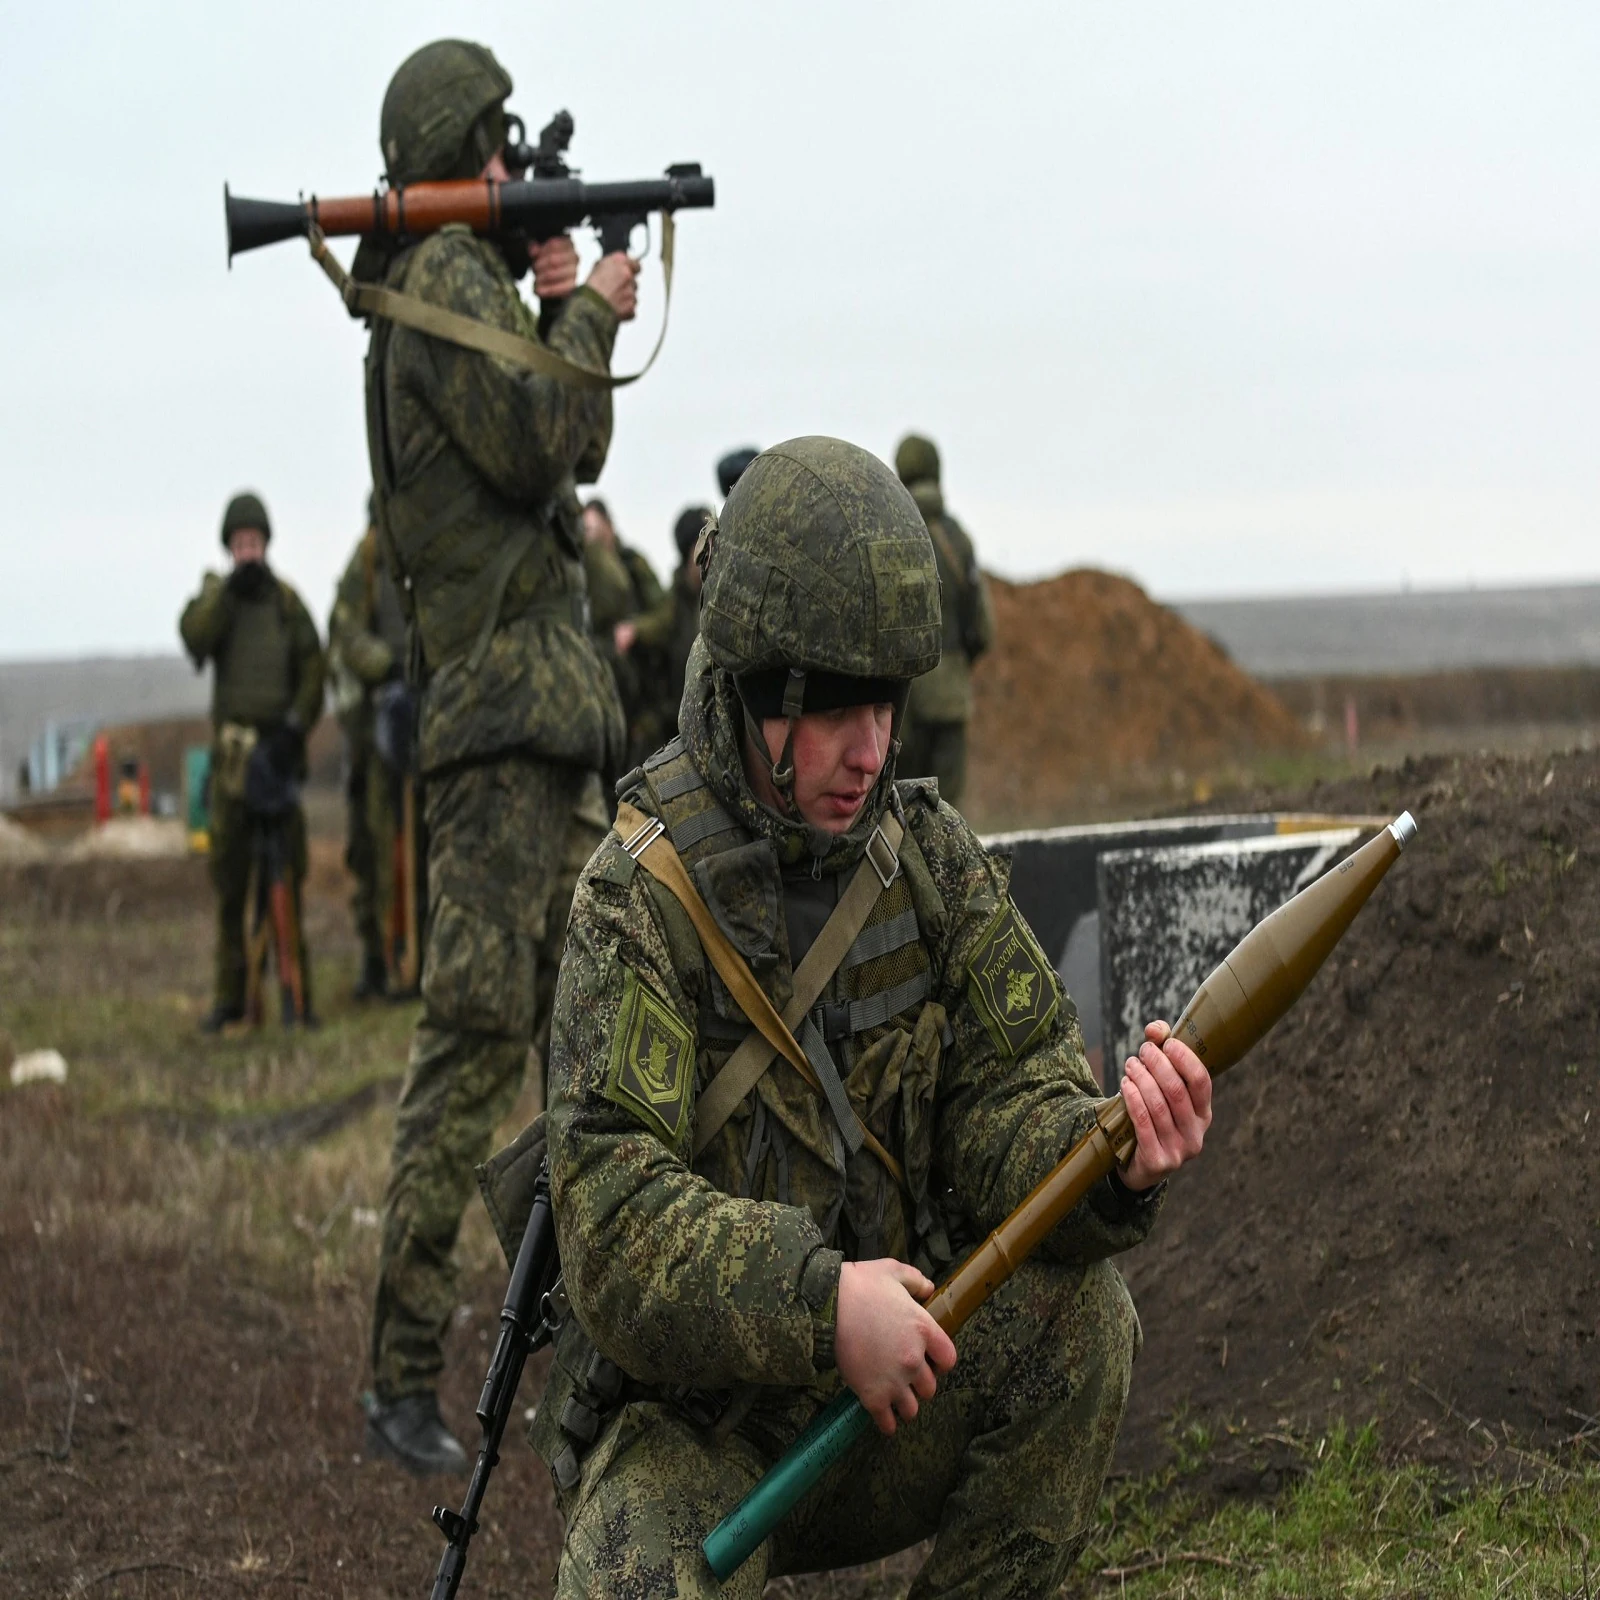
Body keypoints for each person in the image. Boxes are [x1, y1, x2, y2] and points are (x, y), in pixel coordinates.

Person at [531, 437, 1211, 1597]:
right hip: (700, 1438)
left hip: (886, 1397)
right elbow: (611, 1222)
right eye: (838, 710)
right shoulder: (636, 895)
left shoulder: (926, 855)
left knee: (1083, 1326)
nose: (873, 749)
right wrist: (818, 1302)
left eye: (887, 706)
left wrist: (1104, 1162)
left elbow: (1007, 1100)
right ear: (752, 688)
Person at [359, 37, 637, 1476]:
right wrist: (583, 307)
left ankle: (594, 1350)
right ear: (461, 151)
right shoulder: (437, 286)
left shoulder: (446, 288)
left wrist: (562, 302)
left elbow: (560, 448)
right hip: (503, 744)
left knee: (591, 1052)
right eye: (493, 155)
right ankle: (403, 1381)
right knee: (478, 1055)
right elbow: (547, 441)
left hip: (533, 734)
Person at [179, 492, 325, 1033]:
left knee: (286, 878)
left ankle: (296, 996)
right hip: (234, 766)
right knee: (231, 885)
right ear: (228, 547)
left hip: (278, 760)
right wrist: (224, 597)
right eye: (239, 544)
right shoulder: (218, 600)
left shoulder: (287, 603)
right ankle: (231, 999)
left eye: (255, 542)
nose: (248, 552)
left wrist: (296, 726)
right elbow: (193, 637)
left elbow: (315, 665)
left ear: (266, 543)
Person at [327, 497, 414, 1000]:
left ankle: (417, 958)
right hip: (375, 730)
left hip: (424, 717)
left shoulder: (427, 555)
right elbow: (347, 633)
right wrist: (388, 667)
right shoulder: (364, 565)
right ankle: (378, 959)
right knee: (374, 846)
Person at [893, 433, 995, 809]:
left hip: (901, 704)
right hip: (950, 697)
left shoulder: (891, 536)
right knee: (947, 815)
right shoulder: (958, 540)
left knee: (896, 813)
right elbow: (983, 627)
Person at [581, 497, 668, 768]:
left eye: (594, 528)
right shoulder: (583, 571)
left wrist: (635, 630)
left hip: (641, 687)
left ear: (609, 526)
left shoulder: (632, 564)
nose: (590, 537)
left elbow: (665, 614)